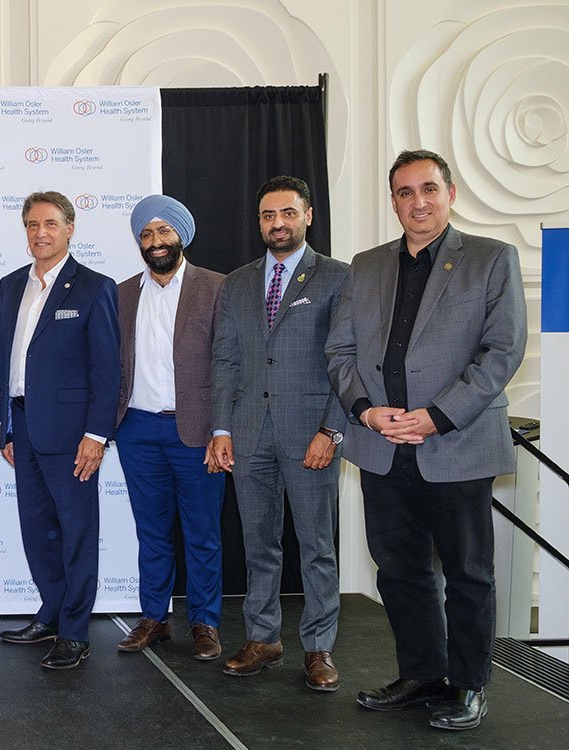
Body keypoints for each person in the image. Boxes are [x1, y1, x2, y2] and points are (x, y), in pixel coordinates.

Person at [327, 149, 526, 731]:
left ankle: (468, 686)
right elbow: (339, 351)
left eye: (429, 189)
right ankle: (421, 674)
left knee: (468, 574)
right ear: (393, 201)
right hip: (381, 445)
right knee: (399, 570)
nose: (418, 202)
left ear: (450, 193)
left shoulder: (491, 259)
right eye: (405, 192)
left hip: (455, 444)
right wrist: (364, 411)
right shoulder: (365, 266)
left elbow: (502, 350)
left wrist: (439, 415)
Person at [207, 176, 349, 691]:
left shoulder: (337, 277)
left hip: (310, 433)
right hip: (248, 435)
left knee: (315, 547)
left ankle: (319, 647)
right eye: (268, 216)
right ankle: (263, 638)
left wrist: (332, 430)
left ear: (308, 216)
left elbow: (348, 364)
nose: (277, 224)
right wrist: (221, 428)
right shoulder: (239, 281)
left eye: (287, 213)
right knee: (259, 545)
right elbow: (224, 359)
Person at [0, 191, 121, 670]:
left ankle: (74, 631)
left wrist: (96, 434)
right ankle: (49, 612)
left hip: (72, 434)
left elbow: (108, 370)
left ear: (70, 228)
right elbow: (7, 357)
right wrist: (5, 423)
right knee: (37, 531)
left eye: (49, 223)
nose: (39, 233)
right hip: (23, 426)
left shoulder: (94, 286)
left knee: (76, 532)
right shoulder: (10, 285)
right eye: (31, 224)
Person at [114, 194, 226, 662]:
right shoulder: (120, 294)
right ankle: (154, 618)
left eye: (163, 231)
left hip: (197, 431)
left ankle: (205, 622)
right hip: (137, 430)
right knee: (152, 531)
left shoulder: (217, 287)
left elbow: (229, 364)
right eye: (146, 234)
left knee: (202, 532)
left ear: (182, 234)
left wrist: (223, 429)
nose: (155, 241)